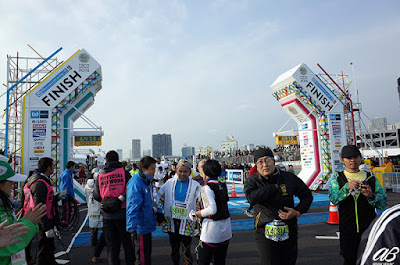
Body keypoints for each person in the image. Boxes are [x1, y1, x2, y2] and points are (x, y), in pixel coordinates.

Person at [244, 148, 313, 265]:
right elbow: (252, 198)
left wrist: (296, 212)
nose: (264, 164)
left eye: (267, 160)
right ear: (256, 165)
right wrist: (272, 188)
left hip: (289, 228)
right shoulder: (252, 180)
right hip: (264, 229)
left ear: (274, 161)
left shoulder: (289, 178)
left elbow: (307, 196)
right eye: (260, 162)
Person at [329, 145, 387, 265]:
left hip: (369, 228)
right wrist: (346, 188)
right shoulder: (337, 178)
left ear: (360, 158)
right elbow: (334, 199)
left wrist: (371, 196)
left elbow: (383, 203)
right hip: (347, 229)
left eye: (355, 157)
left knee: (369, 259)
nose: (352, 160)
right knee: (349, 259)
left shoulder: (371, 178)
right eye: (348, 157)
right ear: (342, 159)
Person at [0, 161, 47, 265]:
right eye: (10, 182)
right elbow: (10, 242)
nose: (13, 186)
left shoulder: (5, 205)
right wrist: (29, 222)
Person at [156, 159, 201, 265]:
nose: (182, 174)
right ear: (176, 171)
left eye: (185, 171)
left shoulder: (196, 185)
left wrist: (199, 217)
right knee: (174, 248)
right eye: (180, 171)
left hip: (187, 221)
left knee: (186, 249)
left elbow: (199, 202)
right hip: (172, 220)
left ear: (190, 172)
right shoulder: (169, 183)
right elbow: (160, 198)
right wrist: (159, 213)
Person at [93, 150, 134, 265]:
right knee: (127, 244)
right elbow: (131, 190)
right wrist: (119, 199)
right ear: (118, 159)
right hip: (122, 213)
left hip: (107, 215)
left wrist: (107, 201)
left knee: (111, 248)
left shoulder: (100, 174)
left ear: (106, 160)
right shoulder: (124, 172)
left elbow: (96, 195)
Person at [23, 157, 66, 265]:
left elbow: (48, 200)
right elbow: (39, 205)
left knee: (49, 246)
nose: (54, 168)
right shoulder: (40, 183)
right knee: (43, 248)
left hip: (48, 218)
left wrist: (58, 197)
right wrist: (46, 227)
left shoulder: (43, 181)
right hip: (43, 220)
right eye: (52, 165)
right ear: (48, 167)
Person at [192, 159, 232, 265]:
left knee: (203, 261)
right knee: (220, 261)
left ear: (205, 172)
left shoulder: (206, 187)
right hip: (226, 229)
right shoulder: (222, 185)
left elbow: (212, 209)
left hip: (211, 231)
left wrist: (196, 214)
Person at [127, 156, 157, 265]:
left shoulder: (146, 181)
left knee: (146, 255)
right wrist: (132, 228)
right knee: (142, 258)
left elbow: (148, 203)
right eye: (152, 169)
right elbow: (132, 207)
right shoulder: (136, 183)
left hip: (146, 224)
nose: (154, 171)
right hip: (140, 227)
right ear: (144, 169)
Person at [85, 167, 105, 263]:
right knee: (104, 228)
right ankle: (103, 243)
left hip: (91, 207)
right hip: (100, 207)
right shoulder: (100, 185)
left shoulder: (87, 186)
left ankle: (93, 243)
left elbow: (86, 196)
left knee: (93, 228)